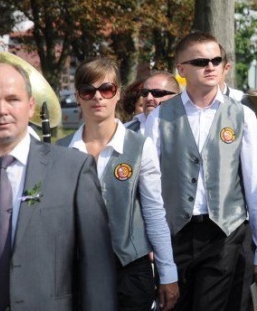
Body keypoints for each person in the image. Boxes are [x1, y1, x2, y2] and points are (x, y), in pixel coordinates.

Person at [144, 31, 257, 311]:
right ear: (181, 69)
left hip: (226, 235)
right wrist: (151, 242)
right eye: (200, 62)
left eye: (216, 60)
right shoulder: (159, 117)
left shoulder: (242, 114)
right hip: (176, 234)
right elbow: (149, 188)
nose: (210, 66)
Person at [0, 61, 117, 311]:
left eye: (13, 99)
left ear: (31, 106)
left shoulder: (73, 170)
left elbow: (97, 270)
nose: (2, 110)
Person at [60, 58, 179, 311]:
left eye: (106, 89)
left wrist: (167, 272)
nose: (97, 97)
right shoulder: (61, 150)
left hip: (130, 270)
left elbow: (154, 212)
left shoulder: (140, 146)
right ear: (78, 97)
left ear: (118, 94)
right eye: (88, 91)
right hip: (77, 271)